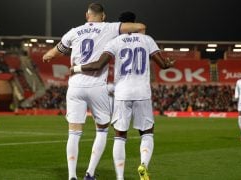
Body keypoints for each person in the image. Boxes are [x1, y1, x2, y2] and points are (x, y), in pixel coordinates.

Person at [42, 3, 146, 180]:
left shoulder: (74, 31)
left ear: (86, 15)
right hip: (97, 86)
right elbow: (140, 27)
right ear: (103, 16)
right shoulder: (109, 27)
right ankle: (89, 173)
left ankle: (72, 176)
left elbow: (54, 53)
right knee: (102, 130)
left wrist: (46, 56)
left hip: (75, 86)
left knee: (73, 133)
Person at [71, 11, 175, 180]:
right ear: (134, 23)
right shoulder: (147, 40)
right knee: (147, 133)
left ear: (121, 25)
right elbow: (163, 65)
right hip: (142, 92)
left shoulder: (115, 41)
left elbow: (98, 65)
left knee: (120, 136)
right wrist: (169, 64)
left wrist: (76, 68)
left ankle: (120, 177)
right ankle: (143, 165)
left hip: (122, 93)